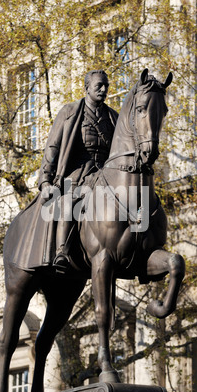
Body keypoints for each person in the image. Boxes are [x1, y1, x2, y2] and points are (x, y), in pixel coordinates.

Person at [38, 69, 118, 273]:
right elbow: (52, 147)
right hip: (78, 173)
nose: (103, 89)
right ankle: (62, 250)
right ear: (87, 88)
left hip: (106, 175)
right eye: (99, 85)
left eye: (106, 86)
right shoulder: (70, 112)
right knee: (69, 200)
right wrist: (45, 181)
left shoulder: (112, 117)